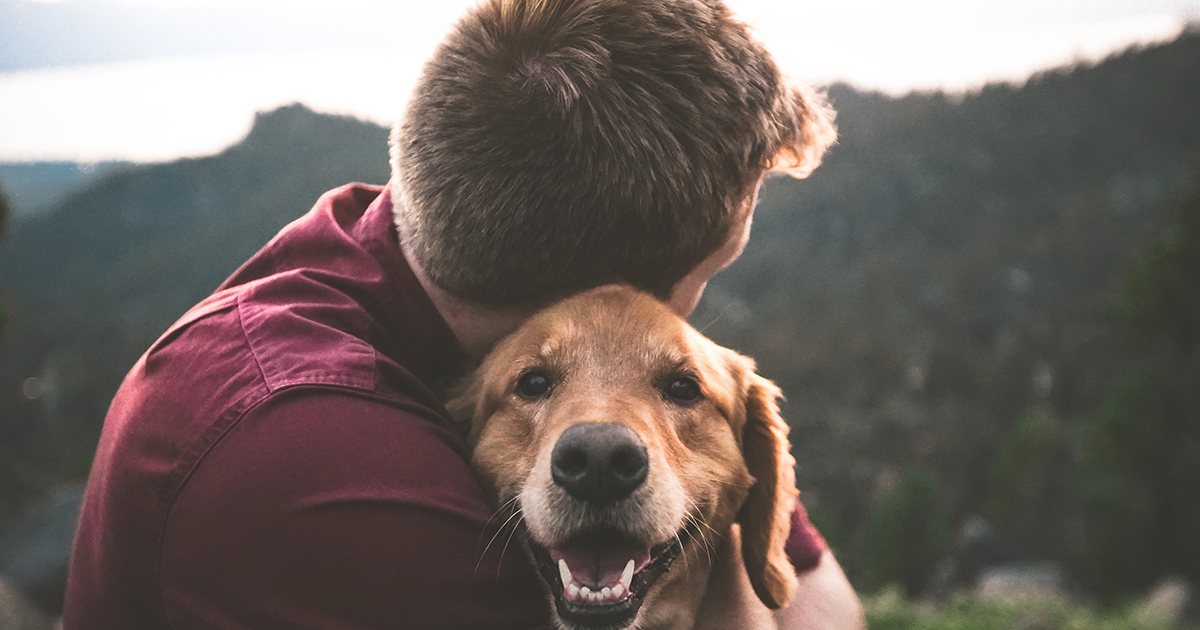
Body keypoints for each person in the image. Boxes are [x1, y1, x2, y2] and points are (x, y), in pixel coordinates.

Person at [63, 0, 862, 628]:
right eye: (711, 272)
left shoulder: (412, 241)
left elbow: (819, 591)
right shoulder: (313, 460)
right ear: (605, 294)